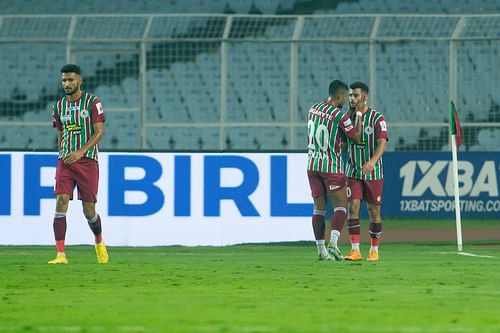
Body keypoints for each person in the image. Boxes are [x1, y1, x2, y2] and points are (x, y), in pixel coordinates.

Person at [48, 64, 108, 264]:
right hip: (65, 161)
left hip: (87, 161)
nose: (67, 83)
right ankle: (60, 254)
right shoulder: (58, 106)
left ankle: (99, 242)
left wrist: (81, 151)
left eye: (71, 79)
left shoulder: (93, 101)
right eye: (64, 80)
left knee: (88, 210)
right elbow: (61, 133)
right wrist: (61, 155)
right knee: (61, 201)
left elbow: (99, 132)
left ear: (79, 80)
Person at [307, 80, 362, 261]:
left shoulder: (313, 109)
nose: (346, 100)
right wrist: (358, 118)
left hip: (313, 164)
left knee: (319, 209)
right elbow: (356, 138)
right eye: (345, 97)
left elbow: (330, 132)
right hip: (331, 166)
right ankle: (334, 243)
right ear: (339, 96)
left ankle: (321, 251)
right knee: (341, 206)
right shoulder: (341, 117)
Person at [344, 81, 388, 262]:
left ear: (365, 97)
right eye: (350, 95)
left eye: (356, 95)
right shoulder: (346, 118)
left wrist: (372, 161)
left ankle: (374, 249)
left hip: (373, 172)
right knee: (352, 207)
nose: (352, 98)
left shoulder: (378, 118)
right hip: (353, 170)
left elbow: (382, 142)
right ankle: (355, 250)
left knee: (373, 210)